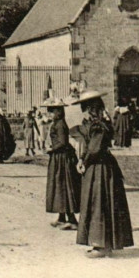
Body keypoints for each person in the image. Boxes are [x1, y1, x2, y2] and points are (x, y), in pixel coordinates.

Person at [72, 91, 133, 258]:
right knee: (100, 202)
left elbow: (94, 148)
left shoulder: (99, 125)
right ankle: (102, 243)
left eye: (86, 109)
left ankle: (102, 245)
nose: (84, 113)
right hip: (98, 166)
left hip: (100, 168)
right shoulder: (97, 124)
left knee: (99, 202)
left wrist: (83, 161)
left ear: (92, 109)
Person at [43, 98, 80, 230]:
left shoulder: (60, 125)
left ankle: (72, 220)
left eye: (51, 112)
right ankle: (61, 217)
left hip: (62, 159)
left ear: (59, 112)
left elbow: (63, 143)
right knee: (59, 187)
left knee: (64, 186)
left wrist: (51, 149)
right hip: (59, 158)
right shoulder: (57, 123)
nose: (49, 114)